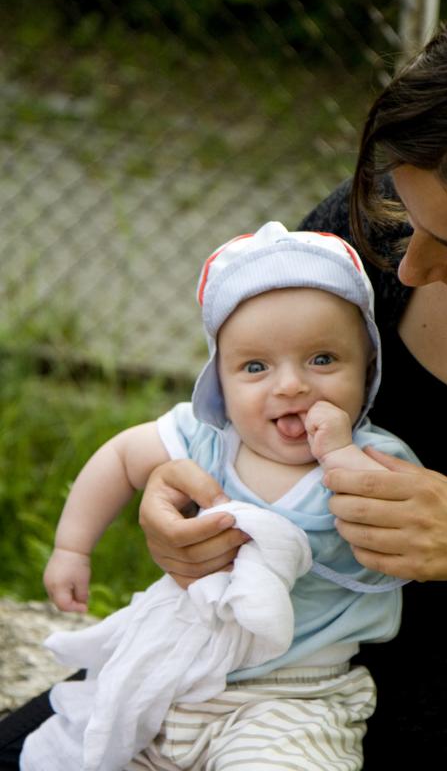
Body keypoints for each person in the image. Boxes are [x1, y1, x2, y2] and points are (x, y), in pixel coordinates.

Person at [2, 0, 447, 771]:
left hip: (425, 730)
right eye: (404, 216)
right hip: (215, 668)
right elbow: (233, 405)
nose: (407, 266)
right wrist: (178, 500)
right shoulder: (370, 233)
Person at [20, 221, 420, 771]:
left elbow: (402, 527)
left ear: (367, 368)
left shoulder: (378, 459)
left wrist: (339, 454)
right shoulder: (206, 441)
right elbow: (120, 457)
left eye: (322, 359)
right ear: (221, 385)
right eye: (255, 367)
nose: (291, 385)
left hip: (295, 694)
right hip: (176, 676)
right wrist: (72, 547)